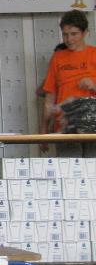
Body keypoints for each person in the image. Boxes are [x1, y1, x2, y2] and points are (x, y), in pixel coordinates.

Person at [40, 9, 96, 157]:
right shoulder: (57, 58)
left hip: (93, 127)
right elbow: (49, 98)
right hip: (65, 126)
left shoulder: (94, 54)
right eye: (65, 34)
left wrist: (94, 85)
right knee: (69, 169)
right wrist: (43, 131)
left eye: (74, 34)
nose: (69, 39)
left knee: (93, 169)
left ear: (85, 33)